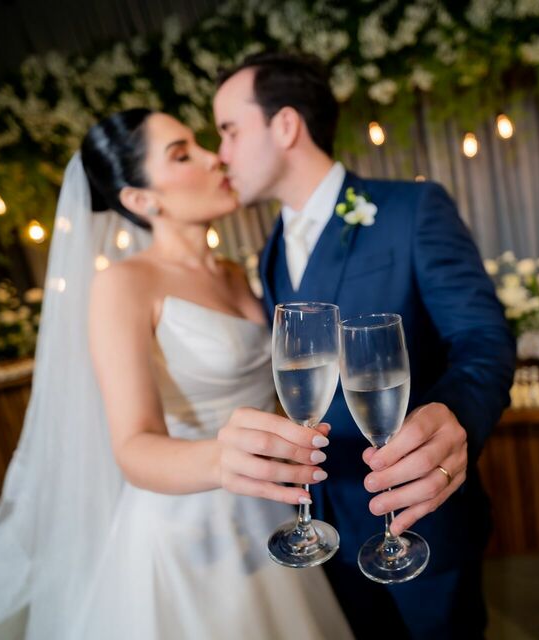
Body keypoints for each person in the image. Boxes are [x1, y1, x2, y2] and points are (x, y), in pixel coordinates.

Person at [0, 109, 353, 639]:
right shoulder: (123, 284)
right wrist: (224, 458)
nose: (213, 157)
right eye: (182, 154)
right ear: (141, 199)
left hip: (270, 507)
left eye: (200, 143)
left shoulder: (236, 273)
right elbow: (132, 446)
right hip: (191, 532)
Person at [214, 52, 517, 639]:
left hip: (419, 514)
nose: (221, 153)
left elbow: (484, 337)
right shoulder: (271, 249)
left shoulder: (412, 209)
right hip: (324, 525)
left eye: (230, 130)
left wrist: (456, 415)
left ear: (285, 125)